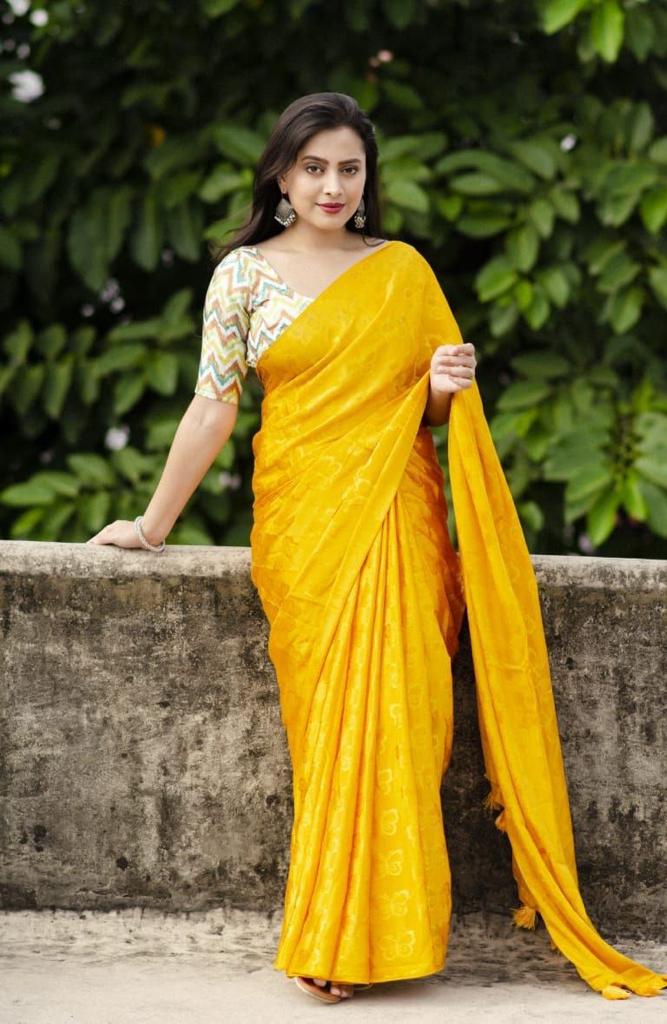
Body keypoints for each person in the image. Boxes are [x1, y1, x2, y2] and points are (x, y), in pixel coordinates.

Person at [88, 93, 667, 1005]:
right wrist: (153, 525)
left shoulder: (400, 270)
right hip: (304, 530)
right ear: (280, 174)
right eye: (312, 166)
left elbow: (430, 415)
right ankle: (328, 933)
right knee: (327, 740)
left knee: (402, 724)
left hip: (396, 520)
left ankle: (370, 938)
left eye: (347, 168)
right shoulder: (241, 276)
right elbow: (214, 403)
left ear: (367, 179)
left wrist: (442, 387)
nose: (331, 184)